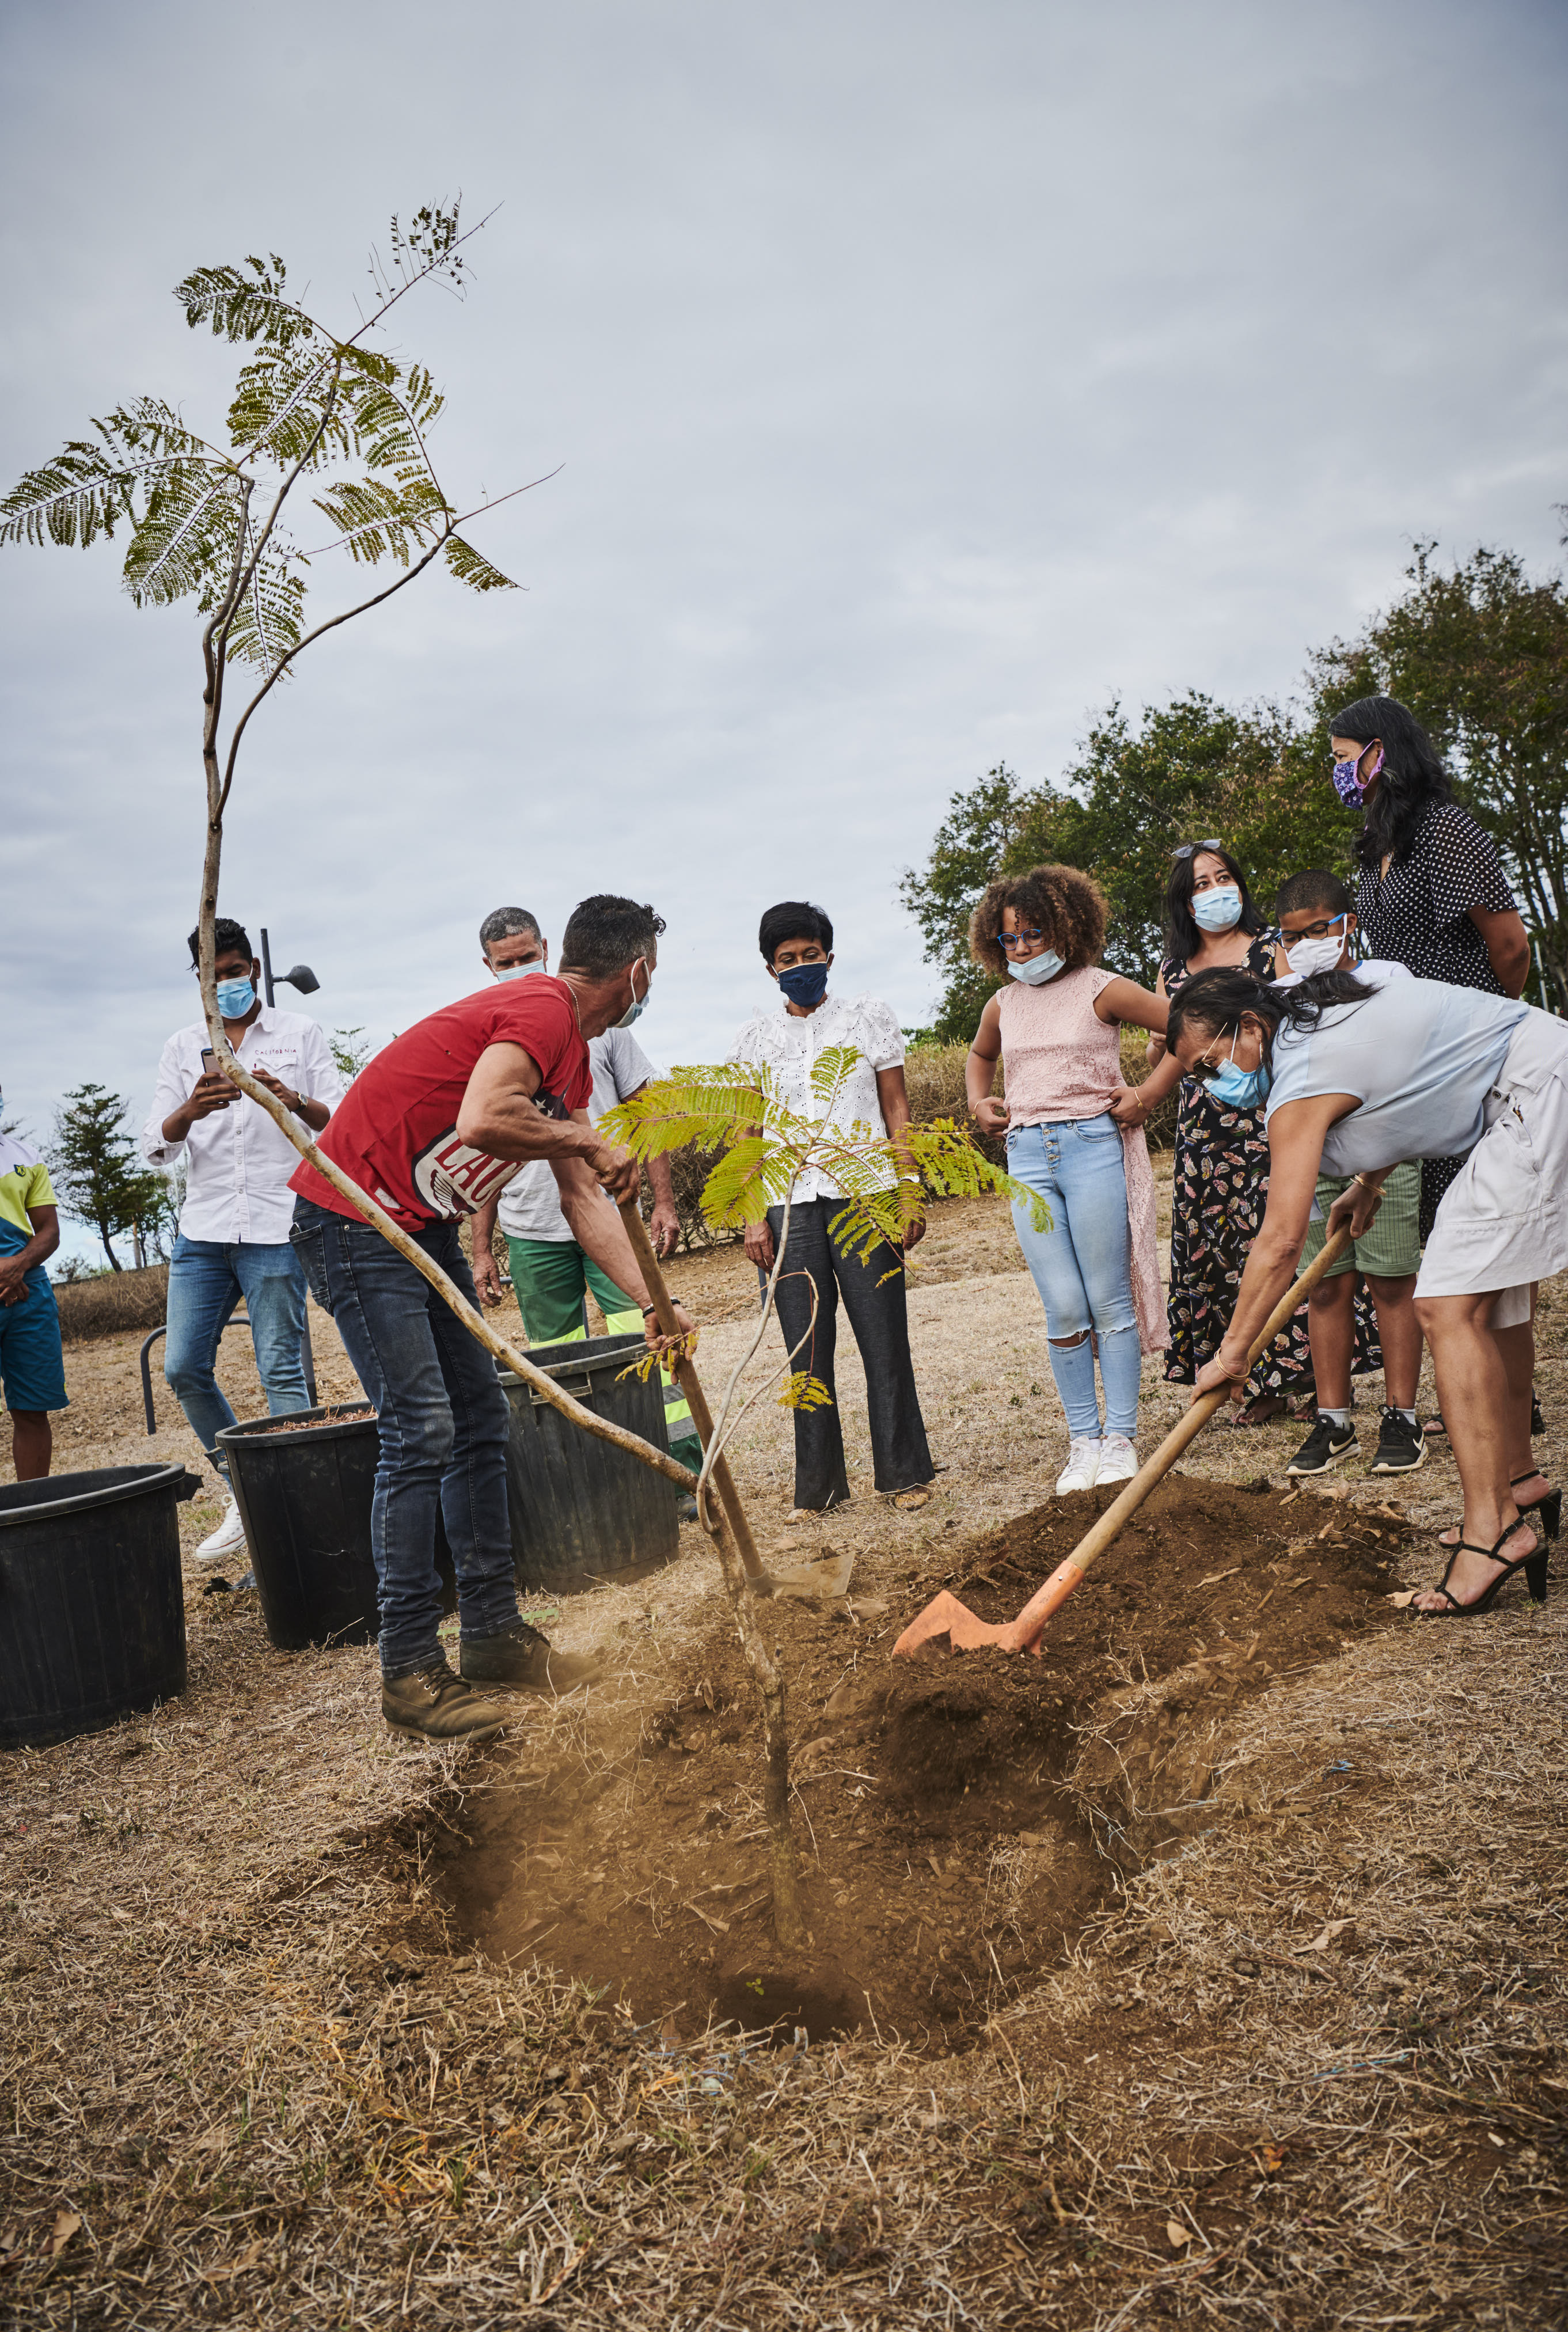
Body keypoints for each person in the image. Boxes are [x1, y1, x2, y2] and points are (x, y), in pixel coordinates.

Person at [289, 894, 696, 1742]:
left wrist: (656, 1304)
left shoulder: (570, 1058)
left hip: (421, 1224)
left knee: (479, 1421)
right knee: (420, 1429)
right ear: (638, 972)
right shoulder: (542, 1009)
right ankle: (408, 1667)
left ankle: (493, 1636)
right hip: (356, 1218)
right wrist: (585, 1142)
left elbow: (584, 1197)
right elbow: (482, 1119)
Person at [1165, 963, 1566, 1617]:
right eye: (1197, 1078)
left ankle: (1491, 1533)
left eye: (1210, 1065)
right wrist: (1369, 1183)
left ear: (1247, 1026)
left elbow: (1279, 1243)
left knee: (1443, 1305)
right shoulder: (1319, 1005)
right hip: (1535, 1077)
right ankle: (1518, 1481)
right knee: (1490, 1299)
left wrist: (1232, 1351)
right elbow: (1408, 1077)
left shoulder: (1298, 1080)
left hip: (1532, 1096)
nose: (1214, 1087)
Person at [1117, 841, 1380, 1425]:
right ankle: (1257, 1381)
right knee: (1225, 1256)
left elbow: (1296, 1021)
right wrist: (1146, 1094)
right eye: (1200, 885)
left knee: (1282, 1239)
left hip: (1272, 1116)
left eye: (1222, 878)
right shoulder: (1170, 970)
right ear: (1184, 903)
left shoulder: (1271, 949)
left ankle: (1314, 1376)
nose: (1215, 891)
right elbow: (1180, 1053)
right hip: (1206, 1131)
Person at [468, 907, 701, 1507]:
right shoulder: (509, 1031)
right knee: (558, 1363)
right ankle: (594, 1485)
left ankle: (679, 1477)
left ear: (548, 949)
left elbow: (636, 1125)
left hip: (606, 1216)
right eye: (507, 963)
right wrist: (481, 1247)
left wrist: (661, 1208)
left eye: (527, 957)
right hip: (530, 1231)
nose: (519, 970)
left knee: (646, 1348)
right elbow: (483, 1134)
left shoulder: (596, 1034)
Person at [142, 918, 342, 1557]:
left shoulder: (298, 1034)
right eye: (211, 975)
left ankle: (302, 1516)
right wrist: (189, 1110)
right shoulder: (181, 1047)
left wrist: (290, 1099)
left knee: (282, 1371)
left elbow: (334, 1121)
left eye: (233, 971)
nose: (224, 984)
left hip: (275, 1225)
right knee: (182, 1367)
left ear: (252, 967)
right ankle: (250, 1489)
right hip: (202, 1230)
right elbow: (156, 1146)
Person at [966, 865, 1169, 1492]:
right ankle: (1082, 1442)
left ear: (1066, 928)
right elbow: (979, 1056)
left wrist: (1146, 1093)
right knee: (1062, 1306)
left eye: (1034, 933)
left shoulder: (1102, 989)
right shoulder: (1002, 1002)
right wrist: (979, 1101)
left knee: (1108, 1300)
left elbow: (1182, 1029)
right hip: (1026, 1158)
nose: (1023, 949)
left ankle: (1120, 1438)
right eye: (1010, 939)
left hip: (1091, 1147)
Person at [730, 901, 933, 1518]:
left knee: (883, 1340)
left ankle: (903, 1475)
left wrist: (907, 1188)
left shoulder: (867, 1017)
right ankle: (817, 1490)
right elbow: (746, 1132)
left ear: (829, 957)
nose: (800, 967)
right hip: (787, 1209)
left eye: (810, 955)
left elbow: (895, 1107)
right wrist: (748, 1215)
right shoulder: (752, 1039)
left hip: (864, 1198)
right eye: (786, 959)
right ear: (769, 969)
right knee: (804, 1352)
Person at [1329, 694, 1531, 1239]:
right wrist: (1368, 1184)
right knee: (1449, 1251)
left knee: (1480, 1262)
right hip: (1430, 1057)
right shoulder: (1375, 849)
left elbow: (1510, 948)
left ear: (1378, 754)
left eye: (1342, 756)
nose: (1337, 771)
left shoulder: (1444, 831)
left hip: (1477, 1054)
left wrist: (1482, 1029)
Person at [1272, 871, 1425, 1477]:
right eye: (1292, 936)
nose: (1306, 944)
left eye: (1318, 930)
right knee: (1325, 1285)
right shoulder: (1278, 993)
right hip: (1312, 1162)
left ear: (1347, 924)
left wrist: (1372, 1177)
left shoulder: (1388, 980)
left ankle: (1401, 1417)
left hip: (1384, 1155)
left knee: (1390, 1282)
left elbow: (1408, 1072)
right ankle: (1333, 1421)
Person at [0, 1110, 66, 1479]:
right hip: (16, 1281)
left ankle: (32, 1514)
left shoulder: (25, 1156)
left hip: (28, 1293)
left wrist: (18, 1265)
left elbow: (49, 1230)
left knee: (31, 1409)